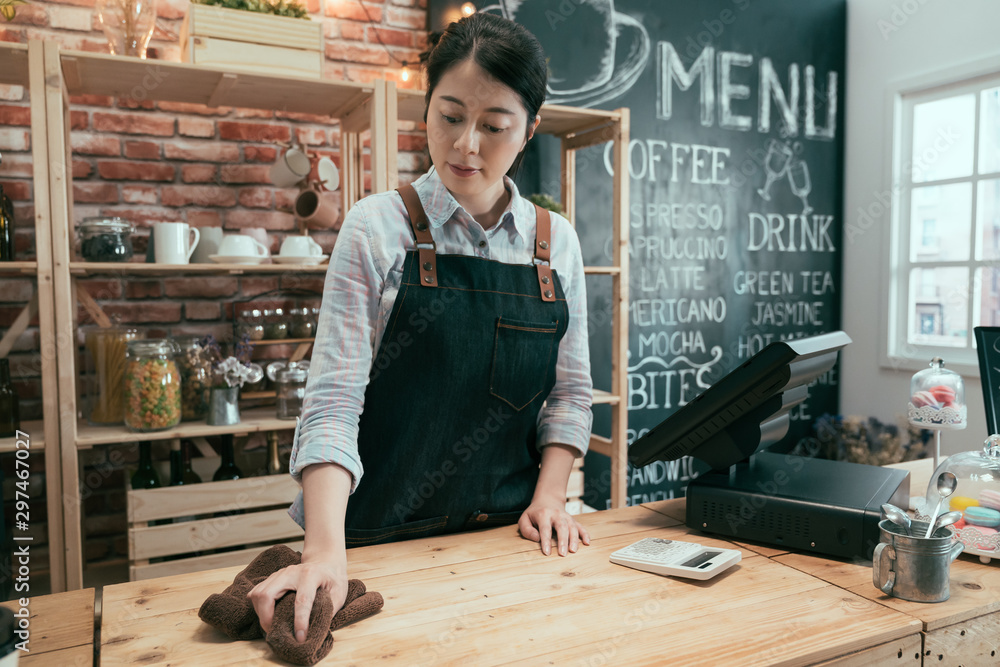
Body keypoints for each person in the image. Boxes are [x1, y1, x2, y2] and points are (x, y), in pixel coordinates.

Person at [249, 12, 594, 642]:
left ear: (530, 130)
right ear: (426, 108)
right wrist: (324, 548)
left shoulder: (555, 245)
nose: (466, 144)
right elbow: (331, 402)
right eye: (450, 115)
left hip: (512, 548)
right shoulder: (376, 228)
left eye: (494, 126)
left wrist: (551, 496)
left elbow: (569, 396)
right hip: (379, 548)